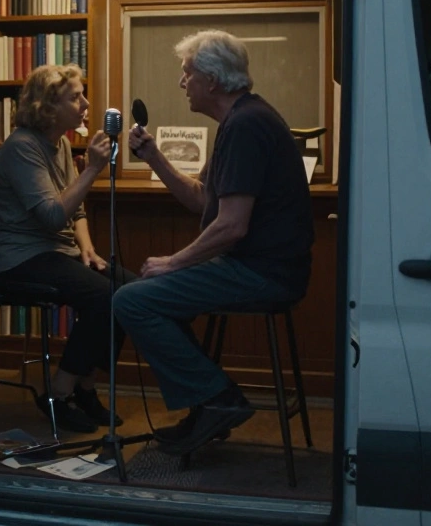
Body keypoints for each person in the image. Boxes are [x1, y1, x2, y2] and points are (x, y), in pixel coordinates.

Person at [115, 30, 314, 456]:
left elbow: (232, 227)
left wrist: (174, 262)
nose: (181, 83)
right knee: (148, 297)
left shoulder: (245, 126)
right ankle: (211, 401)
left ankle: (217, 399)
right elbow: (201, 200)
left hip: (263, 273)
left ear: (213, 81)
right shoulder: (240, 121)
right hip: (260, 267)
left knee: (132, 301)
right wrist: (154, 158)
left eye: (187, 74)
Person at [0, 64, 136, 433]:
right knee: (105, 297)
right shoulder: (21, 146)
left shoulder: (62, 143)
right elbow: (53, 216)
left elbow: (77, 210)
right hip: (19, 258)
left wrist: (87, 249)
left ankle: (86, 388)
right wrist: (93, 169)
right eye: (76, 96)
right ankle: (59, 391)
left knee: (132, 291)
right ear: (49, 106)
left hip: (57, 251)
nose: (86, 103)